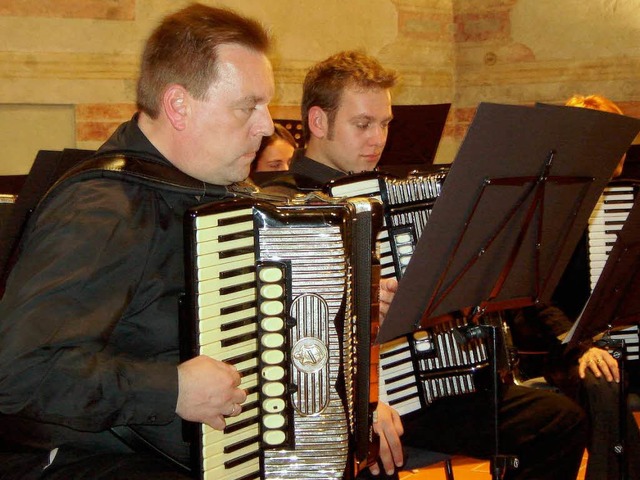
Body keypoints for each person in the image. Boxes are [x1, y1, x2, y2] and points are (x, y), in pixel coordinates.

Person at [266, 49, 589, 479]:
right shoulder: (284, 206)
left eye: (384, 124)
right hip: (338, 398)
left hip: (423, 386)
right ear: (318, 122)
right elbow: (286, 329)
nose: (377, 139)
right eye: (362, 124)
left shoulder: (392, 191)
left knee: (557, 420)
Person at [0, 4, 274, 479]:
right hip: (98, 460)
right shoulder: (104, 210)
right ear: (178, 106)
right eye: (248, 106)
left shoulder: (217, 192)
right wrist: (169, 388)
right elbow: (17, 371)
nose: (267, 125)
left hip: (216, 448)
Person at [508, 94, 640, 480]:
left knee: (607, 377)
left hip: (605, 341)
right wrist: (580, 344)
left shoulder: (621, 198)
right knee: (603, 385)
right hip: (551, 344)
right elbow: (533, 300)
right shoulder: (543, 205)